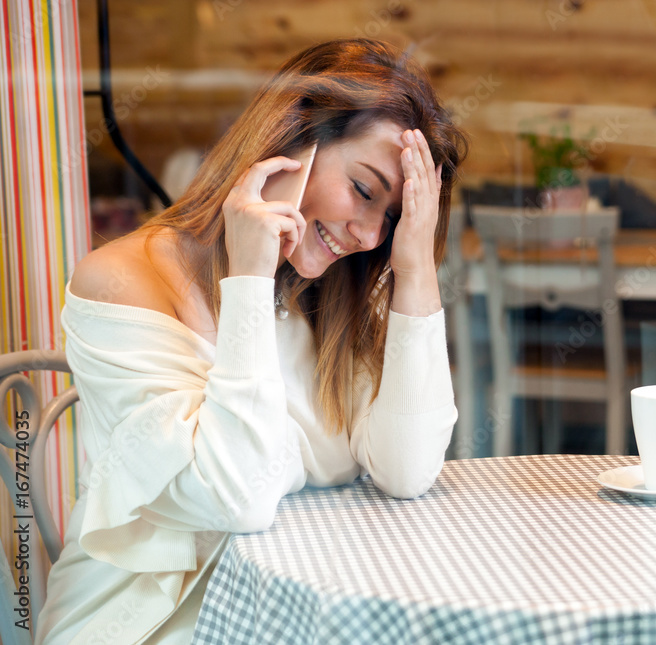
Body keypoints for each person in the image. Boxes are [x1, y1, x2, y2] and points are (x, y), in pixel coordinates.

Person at [36, 39, 468, 644]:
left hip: (305, 613)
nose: (370, 235)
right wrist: (248, 280)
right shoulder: (121, 280)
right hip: (155, 623)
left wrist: (417, 266)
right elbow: (237, 496)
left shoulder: (339, 287)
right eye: (366, 191)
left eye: (394, 218)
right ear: (291, 143)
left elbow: (406, 468)